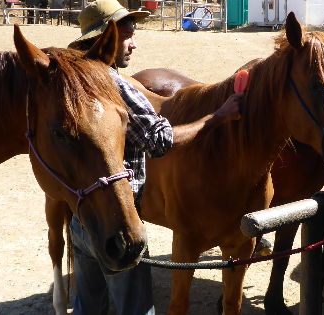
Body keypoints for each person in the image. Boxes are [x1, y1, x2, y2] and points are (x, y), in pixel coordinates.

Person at [65, 1, 244, 314]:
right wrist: (217, 117)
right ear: (104, 39)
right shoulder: (115, 86)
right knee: (136, 309)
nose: (134, 42)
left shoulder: (74, 83)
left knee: (88, 308)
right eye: (128, 35)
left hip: (81, 217)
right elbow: (160, 141)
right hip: (117, 222)